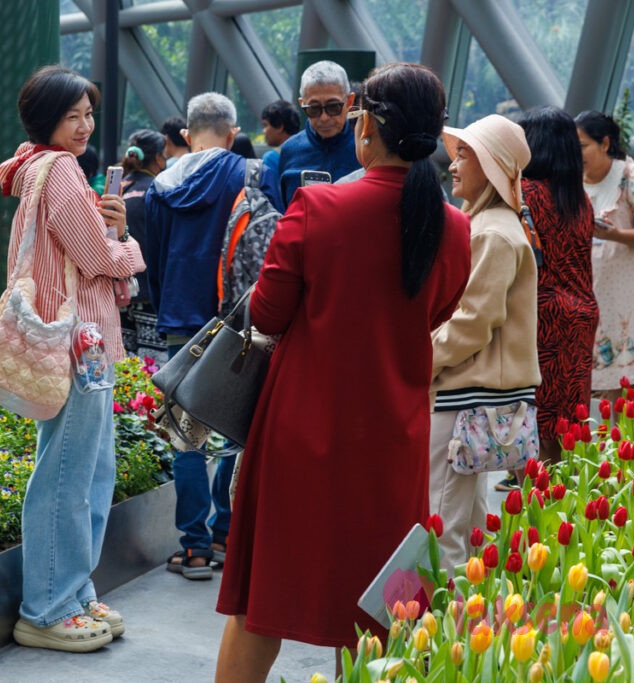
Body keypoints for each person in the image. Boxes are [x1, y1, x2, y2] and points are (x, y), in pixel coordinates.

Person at [214, 63, 471, 681]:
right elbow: (436, 313)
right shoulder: (456, 229)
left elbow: (269, 313)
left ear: (366, 127)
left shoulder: (318, 205)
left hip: (299, 434)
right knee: (385, 605)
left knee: (261, 599)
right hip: (397, 442)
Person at [0, 65, 145, 653]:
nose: (84, 125)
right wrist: (128, 245)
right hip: (77, 342)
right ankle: (47, 607)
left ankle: (73, 591)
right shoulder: (59, 170)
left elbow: (92, 255)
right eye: (72, 116)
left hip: (81, 341)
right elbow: (97, 258)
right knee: (68, 472)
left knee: (86, 468)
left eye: (88, 114)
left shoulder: (40, 167)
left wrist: (115, 241)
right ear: (47, 121)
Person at [145, 92, 282, 581]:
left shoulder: (162, 185)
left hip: (179, 319)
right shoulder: (247, 173)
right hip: (234, 319)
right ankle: (225, 532)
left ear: (186, 134)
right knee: (230, 424)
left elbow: (154, 259)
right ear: (232, 132)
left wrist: (165, 305)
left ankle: (195, 548)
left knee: (185, 437)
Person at [428, 114, 541, 568]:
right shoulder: (494, 223)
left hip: (462, 397)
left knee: (439, 525)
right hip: (481, 398)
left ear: (492, 166)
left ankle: (433, 634)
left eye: (465, 155)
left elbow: (474, 322)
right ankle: (473, 630)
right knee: (468, 525)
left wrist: (418, 360)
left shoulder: (491, 231)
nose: (453, 165)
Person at [519, 107, 598, 467]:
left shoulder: (525, 193)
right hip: (580, 315)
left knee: (538, 429)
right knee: (568, 427)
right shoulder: (579, 199)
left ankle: (542, 516)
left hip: (542, 317)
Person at [575, 111, 634, 394]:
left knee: (626, 380)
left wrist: (615, 235)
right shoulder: (573, 182)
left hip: (626, 291)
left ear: (605, 143)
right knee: (594, 381)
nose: (577, 153)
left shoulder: (631, 176)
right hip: (587, 290)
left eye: (582, 146)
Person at [277, 60, 362, 206]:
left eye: (333, 107)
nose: (324, 117)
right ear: (301, 104)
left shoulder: (365, 148)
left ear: (349, 102)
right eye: (314, 109)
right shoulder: (290, 150)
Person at [119, 129, 168, 362]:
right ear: (158, 157)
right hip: (151, 294)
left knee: (125, 368)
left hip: (120, 292)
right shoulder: (160, 189)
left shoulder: (117, 188)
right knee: (152, 366)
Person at [259, 100, 300, 172]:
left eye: (265, 125)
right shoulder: (309, 152)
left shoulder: (271, 158)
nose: (264, 131)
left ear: (279, 126)